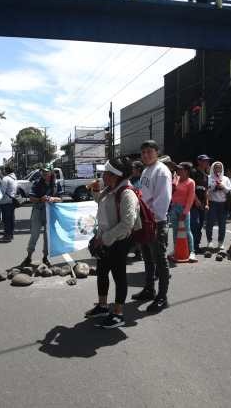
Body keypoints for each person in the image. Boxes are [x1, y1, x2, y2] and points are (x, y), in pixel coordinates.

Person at [84, 157, 141, 328]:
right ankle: (102, 306)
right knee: (102, 272)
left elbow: (127, 224)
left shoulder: (127, 193)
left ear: (115, 175)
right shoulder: (110, 189)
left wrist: (105, 238)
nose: (103, 176)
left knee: (119, 275)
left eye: (106, 173)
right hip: (105, 238)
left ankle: (118, 313)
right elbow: (101, 202)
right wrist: (95, 191)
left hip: (119, 241)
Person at [131, 140, 172, 311]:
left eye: (149, 151)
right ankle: (149, 289)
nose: (146, 155)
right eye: (143, 153)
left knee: (160, 260)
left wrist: (152, 219)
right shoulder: (147, 170)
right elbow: (143, 194)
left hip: (155, 222)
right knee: (148, 258)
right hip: (145, 221)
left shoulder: (161, 171)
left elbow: (163, 200)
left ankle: (162, 297)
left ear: (157, 152)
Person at [21, 164, 62, 267]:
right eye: (43, 171)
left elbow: (61, 198)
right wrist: (40, 199)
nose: (44, 173)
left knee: (47, 237)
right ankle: (29, 256)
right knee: (34, 235)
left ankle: (45, 257)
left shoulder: (56, 184)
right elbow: (31, 198)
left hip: (50, 213)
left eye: (46, 171)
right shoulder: (37, 183)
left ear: (51, 172)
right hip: (38, 211)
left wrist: (53, 199)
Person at [170, 162, 196, 261]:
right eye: (178, 169)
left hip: (183, 208)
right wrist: (174, 182)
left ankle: (192, 251)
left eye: (181, 169)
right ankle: (176, 249)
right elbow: (171, 192)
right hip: (174, 207)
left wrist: (185, 212)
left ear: (186, 171)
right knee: (175, 230)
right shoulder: (175, 179)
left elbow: (191, 198)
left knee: (187, 230)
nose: (178, 170)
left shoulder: (191, 182)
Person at [205, 161, 231, 249]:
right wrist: (215, 186)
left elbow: (229, 191)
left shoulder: (226, 179)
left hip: (223, 204)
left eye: (219, 167)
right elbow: (207, 190)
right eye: (216, 167)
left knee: (222, 224)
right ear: (213, 168)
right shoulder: (209, 178)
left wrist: (222, 186)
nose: (217, 169)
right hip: (212, 203)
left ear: (222, 168)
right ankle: (209, 241)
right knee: (210, 223)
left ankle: (221, 242)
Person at [190, 154, 211, 252]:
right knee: (195, 224)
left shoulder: (206, 175)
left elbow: (206, 190)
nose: (206, 162)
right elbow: (191, 188)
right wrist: (196, 200)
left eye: (207, 161)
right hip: (193, 203)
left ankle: (197, 246)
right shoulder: (193, 172)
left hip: (202, 203)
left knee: (200, 225)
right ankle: (192, 246)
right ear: (199, 161)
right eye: (204, 160)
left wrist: (207, 203)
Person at [0, 165, 18, 242]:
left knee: (6, 220)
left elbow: (2, 191)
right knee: (11, 219)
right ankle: (11, 235)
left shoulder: (5, 179)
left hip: (5, 201)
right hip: (12, 201)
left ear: (5, 171)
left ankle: (7, 236)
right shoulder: (14, 178)